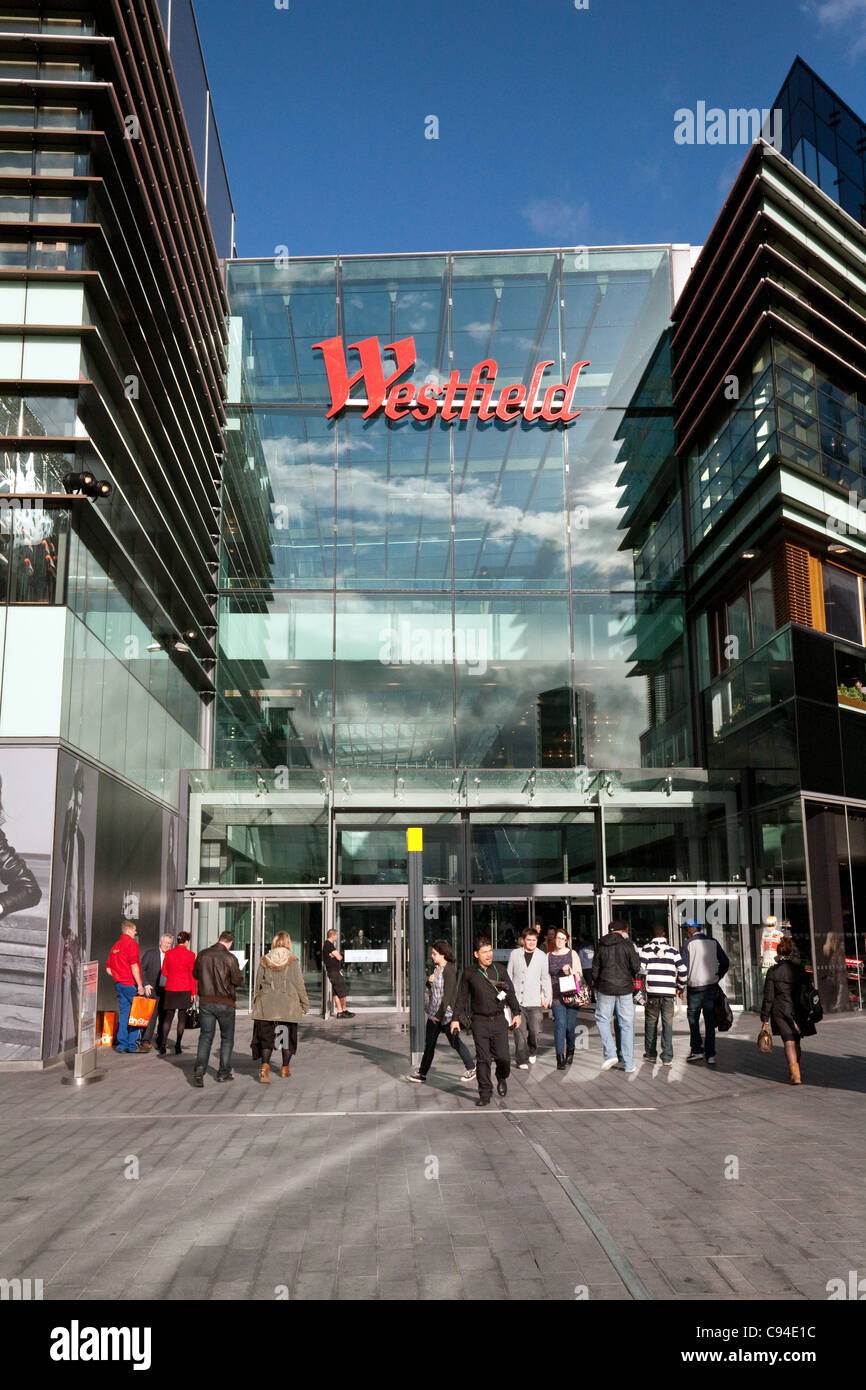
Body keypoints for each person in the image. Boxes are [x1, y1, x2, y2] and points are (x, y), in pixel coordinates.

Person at [450, 937, 521, 1107]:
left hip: (499, 1020)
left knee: (503, 1058)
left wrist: (516, 1013)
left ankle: (502, 1076)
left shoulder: (500, 970)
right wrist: (455, 1019)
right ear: (476, 954)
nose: (489, 955)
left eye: (490, 951)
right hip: (479, 1021)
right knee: (483, 1059)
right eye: (484, 952)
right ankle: (485, 1093)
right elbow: (461, 998)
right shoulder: (469, 973)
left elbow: (509, 993)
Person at [406, 940, 476, 1085]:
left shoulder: (449, 970)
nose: (432, 956)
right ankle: (422, 1074)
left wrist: (439, 1016)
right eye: (432, 953)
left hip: (446, 1014)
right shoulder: (437, 968)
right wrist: (428, 982)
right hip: (434, 1013)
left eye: (435, 954)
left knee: (455, 1042)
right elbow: (433, 990)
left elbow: (448, 995)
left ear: (443, 954)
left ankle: (471, 1067)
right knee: (429, 1044)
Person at [251, 930, 310, 1083]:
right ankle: (285, 1068)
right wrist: (305, 1004)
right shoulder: (293, 960)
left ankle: (264, 1066)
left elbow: (257, 984)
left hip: (266, 1005)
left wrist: (256, 1002)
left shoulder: (264, 960)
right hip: (288, 1006)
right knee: (286, 1038)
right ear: (288, 943)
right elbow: (299, 984)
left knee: (266, 1039)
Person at [760, 936, 816, 1084]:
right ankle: (796, 1069)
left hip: (780, 1010)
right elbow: (809, 990)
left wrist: (764, 1018)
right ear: (791, 952)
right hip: (798, 1008)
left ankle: (795, 1075)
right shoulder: (800, 970)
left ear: (779, 952)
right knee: (796, 1040)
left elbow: (769, 997)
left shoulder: (773, 971)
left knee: (788, 1042)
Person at [192, 930, 243, 1086]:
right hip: (225, 1002)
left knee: (205, 1036)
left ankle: (200, 1069)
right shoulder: (230, 958)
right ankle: (223, 1073)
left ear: (218, 939)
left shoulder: (202, 955)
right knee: (227, 1038)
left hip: (206, 1001)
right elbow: (237, 980)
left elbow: (195, 974)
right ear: (230, 942)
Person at [593, 920, 641, 1073]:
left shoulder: (601, 945)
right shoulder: (627, 945)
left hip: (605, 988)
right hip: (625, 989)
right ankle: (629, 1064)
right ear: (622, 931)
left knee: (602, 1020)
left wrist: (597, 984)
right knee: (626, 1024)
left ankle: (610, 1054)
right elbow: (636, 967)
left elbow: (595, 969)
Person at [680, 920, 729, 1067]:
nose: (685, 931)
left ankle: (697, 1050)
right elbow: (725, 962)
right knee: (709, 1021)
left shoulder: (688, 944)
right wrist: (717, 976)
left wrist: (680, 986)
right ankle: (711, 1054)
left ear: (692, 928)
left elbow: (684, 968)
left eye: (686, 929)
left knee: (693, 1019)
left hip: (694, 988)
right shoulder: (713, 942)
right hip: (710, 987)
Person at [639, 927, 687, 1065]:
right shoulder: (673, 951)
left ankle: (650, 1054)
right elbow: (683, 971)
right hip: (668, 994)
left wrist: (641, 991)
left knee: (650, 1023)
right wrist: (680, 987)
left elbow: (640, 971)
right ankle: (667, 1057)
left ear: (652, 935)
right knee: (667, 1024)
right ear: (664, 934)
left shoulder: (646, 949)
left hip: (652, 993)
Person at [507, 927, 551, 1068]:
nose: (531, 942)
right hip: (517, 1001)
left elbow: (545, 978)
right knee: (519, 1033)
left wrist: (547, 996)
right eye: (529, 940)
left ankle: (532, 1050)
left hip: (534, 1001)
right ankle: (521, 1059)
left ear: (537, 941)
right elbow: (508, 976)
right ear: (523, 940)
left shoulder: (542, 956)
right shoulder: (515, 954)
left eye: (534, 940)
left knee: (534, 1031)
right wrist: (507, 997)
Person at [105, 920, 146, 1054]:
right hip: (130, 984)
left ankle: (121, 1044)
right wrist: (140, 985)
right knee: (138, 1014)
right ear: (129, 930)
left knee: (124, 1014)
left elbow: (108, 969)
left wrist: (118, 976)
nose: (136, 932)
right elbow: (134, 965)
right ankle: (132, 1044)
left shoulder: (115, 946)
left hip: (119, 984)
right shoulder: (132, 944)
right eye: (134, 930)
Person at [546, 928, 584, 1070]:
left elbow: (579, 975)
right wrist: (545, 995)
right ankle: (559, 1057)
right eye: (558, 938)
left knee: (569, 1027)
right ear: (554, 939)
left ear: (566, 940)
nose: (560, 941)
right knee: (560, 1025)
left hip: (571, 995)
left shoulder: (572, 954)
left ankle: (571, 1049)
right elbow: (546, 977)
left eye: (563, 938)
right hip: (556, 996)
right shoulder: (548, 956)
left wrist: (570, 971)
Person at [159, 931, 197, 1055]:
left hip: (171, 988)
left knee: (168, 1018)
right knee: (181, 1018)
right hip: (185, 988)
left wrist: (172, 976)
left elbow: (164, 971)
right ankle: (178, 1045)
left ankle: (163, 1044)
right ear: (186, 942)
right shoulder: (191, 955)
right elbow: (192, 975)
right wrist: (193, 992)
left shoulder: (169, 953)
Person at [139, 933, 172, 1052]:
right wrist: (145, 983)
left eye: (169, 943)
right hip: (152, 989)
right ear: (160, 942)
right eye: (165, 942)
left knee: (164, 1016)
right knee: (152, 1016)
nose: (167, 945)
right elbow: (141, 968)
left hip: (166, 990)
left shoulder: (171, 955)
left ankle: (160, 1040)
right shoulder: (150, 953)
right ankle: (146, 1040)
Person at [323, 927, 354, 1018]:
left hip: (332, 972)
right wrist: (336, 955)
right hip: (334, 972)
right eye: (336, 935)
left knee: (336, 992)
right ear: (332, 935)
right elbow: (339, 957)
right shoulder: (329, 945)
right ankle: (343, 1010)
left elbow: (336, 956)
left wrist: (334, 955)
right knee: (343, 991)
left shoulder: (327, 945)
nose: (337, 937)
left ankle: (340, 1012)